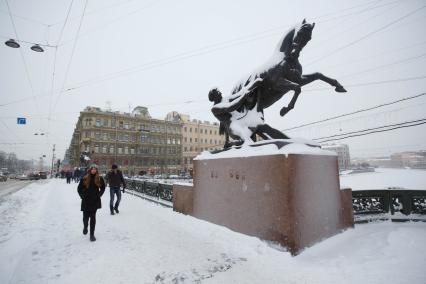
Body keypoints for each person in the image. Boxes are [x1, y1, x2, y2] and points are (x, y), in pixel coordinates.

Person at [77, 165, 105, 242]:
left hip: (95, 201)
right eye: (92, 169)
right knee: (85, 217)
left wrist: (99, 195)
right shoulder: (85, 178)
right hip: (86, 200)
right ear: (90, 170)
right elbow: (79, 188)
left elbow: (103, 187)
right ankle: (85, 226)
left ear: (97, 170)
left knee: (93, 218)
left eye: (95, 169)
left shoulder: (99, 178)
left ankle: (92, 235)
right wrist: (82, 196)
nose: (93, 170)